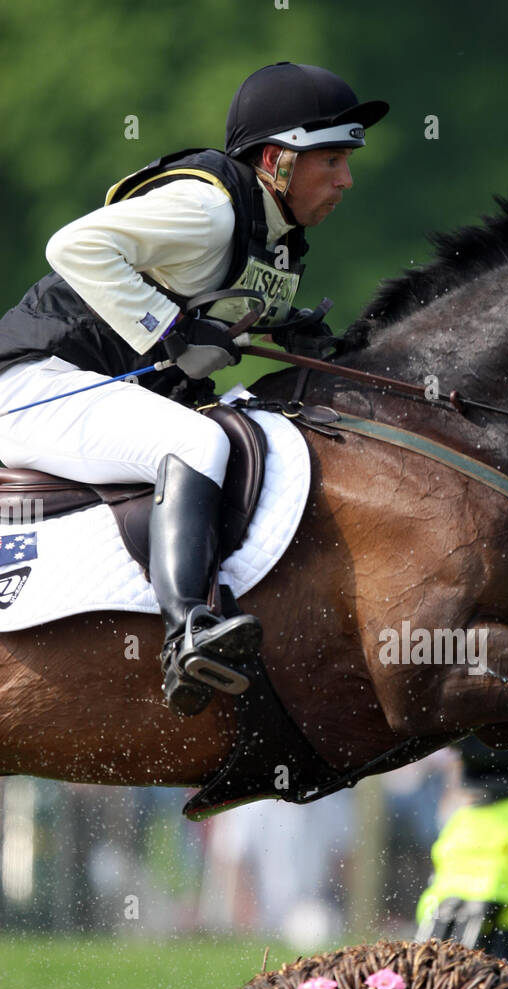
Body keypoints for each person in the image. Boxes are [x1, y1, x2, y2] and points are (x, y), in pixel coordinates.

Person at [0, 62, 388, 714]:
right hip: (33, 385)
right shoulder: (208, 211)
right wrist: (171, 330)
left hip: (87, 387)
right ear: (278, 160)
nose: (346, 180)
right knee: (196, 441)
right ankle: (190, 627)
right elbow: (73, 245)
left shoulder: (279, 241)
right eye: (332, 160)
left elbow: (230, 320)